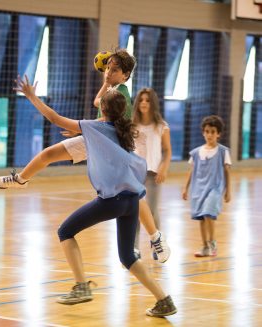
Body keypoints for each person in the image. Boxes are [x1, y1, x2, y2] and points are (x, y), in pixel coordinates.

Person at [14, 75, 177, 317]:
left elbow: (54, 118)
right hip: (132, 200)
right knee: (127, 256)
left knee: (65, 232)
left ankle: (81, 287)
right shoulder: (125, 131)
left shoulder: (93, 127)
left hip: (112, 201)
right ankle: (164, 300)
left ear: (102, 108)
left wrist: (32, 96)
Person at [0, 49, 170, 263]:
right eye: (106, 69)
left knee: (134, 195)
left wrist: (81, 126)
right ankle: (20, 179)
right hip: (96, 139)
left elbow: (100, 109)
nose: (107, 73)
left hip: (113, 147)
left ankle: (155, 236)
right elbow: (99, 104)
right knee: (49, 154)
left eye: (114, 70)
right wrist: (84, 127)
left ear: (125, 76)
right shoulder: (114, 87)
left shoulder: (121, 92)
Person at [182, 115, 231, 257]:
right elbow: (191, 171)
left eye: (213, 132)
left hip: (214, 189)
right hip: (198, 189)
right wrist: (185, 188)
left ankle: (212, 242)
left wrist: (228, 190)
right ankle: (205, 246)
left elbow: (227, 171)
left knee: (209, 213)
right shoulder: (196, 152)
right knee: (201, 218)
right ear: (203, 132)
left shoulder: (223, 151)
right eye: (207, 131)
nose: (210, 135)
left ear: (218, 134)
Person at [132, 88, 172, 260]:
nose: (143, 103)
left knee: (152, 211)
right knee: (134, 211)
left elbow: (167, 151)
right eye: (141, 100)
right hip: (134, 173)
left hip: (153, 173)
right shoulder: (132, 125)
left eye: (147, 100)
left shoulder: (161, 126)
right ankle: (133, 248)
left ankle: (157, 246)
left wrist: (164, 167)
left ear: (153, 103)